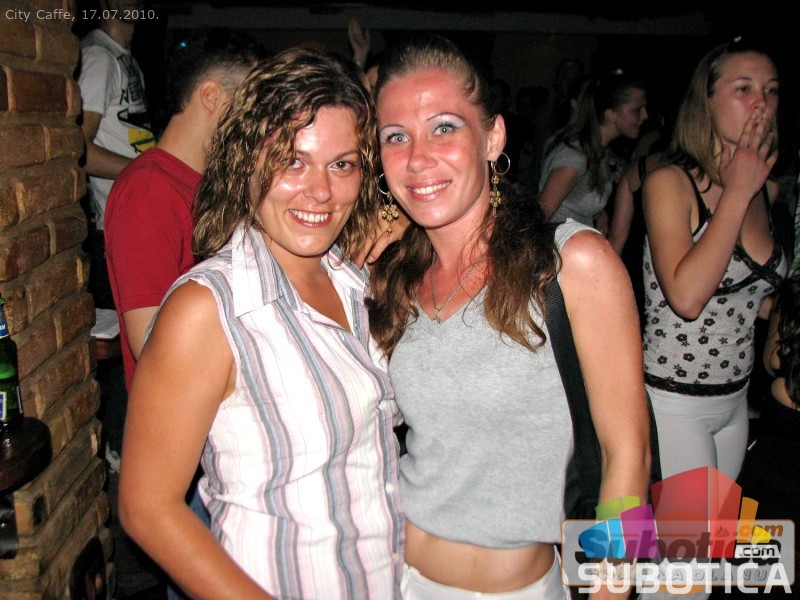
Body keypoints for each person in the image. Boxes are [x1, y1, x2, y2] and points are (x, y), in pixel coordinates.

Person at [368, 34, 650, 598]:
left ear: (493, 137)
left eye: (444, 128)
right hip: (393, 575)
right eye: (396, 136)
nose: (417, 158)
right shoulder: (390, 276)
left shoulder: (572, 262)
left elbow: (629, 454)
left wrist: (612, 587)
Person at [118, 47, 404, 599]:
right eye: (292, 161)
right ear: (246, 161)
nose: (320, 191)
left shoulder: (355, 280)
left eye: (342, 164)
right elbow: (146, 508)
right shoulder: (211, 308)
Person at [641, 40, 788, 491]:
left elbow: (749, 296)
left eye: (771, 90)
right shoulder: (670, 183)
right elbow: (687, 298)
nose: (762, 103)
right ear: (705, 102)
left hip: (736, 397)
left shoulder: (768, 190)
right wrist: (738, 191)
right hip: (674, 400)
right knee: (690, 533)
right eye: (744, 88)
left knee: (715, 531)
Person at [78, 0, 156, 309]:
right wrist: (150, 173)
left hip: (140, 218)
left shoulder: (125, 59)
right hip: (118, 228)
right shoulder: (99, 57)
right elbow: (79, 150)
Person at [538, 71, 648, 233]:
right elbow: (540, 217)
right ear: (611, 114)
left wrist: (599, 213)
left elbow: (576, 198)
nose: (645, 115)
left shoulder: (598, 150)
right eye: (637, 110)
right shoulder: (575, 158)